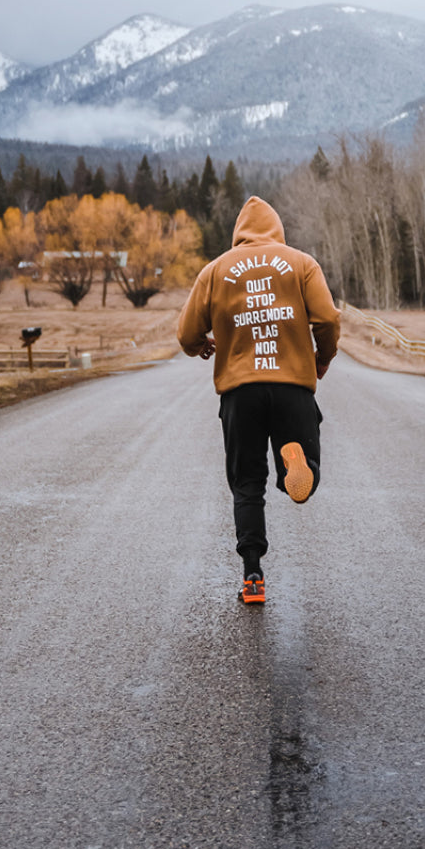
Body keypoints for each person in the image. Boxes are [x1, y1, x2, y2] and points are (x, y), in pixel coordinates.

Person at [177, 195, 340, 604]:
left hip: (240, 393)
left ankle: (253, 576)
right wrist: (322, 358)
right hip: (292, 387)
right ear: (277, 229)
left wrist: (201, 345)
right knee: (302, 467)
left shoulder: (215, 270)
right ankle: (296, 468)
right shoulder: (301, 264)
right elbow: (327, 319)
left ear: (238, 234)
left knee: (247, 484)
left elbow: (185, 333)